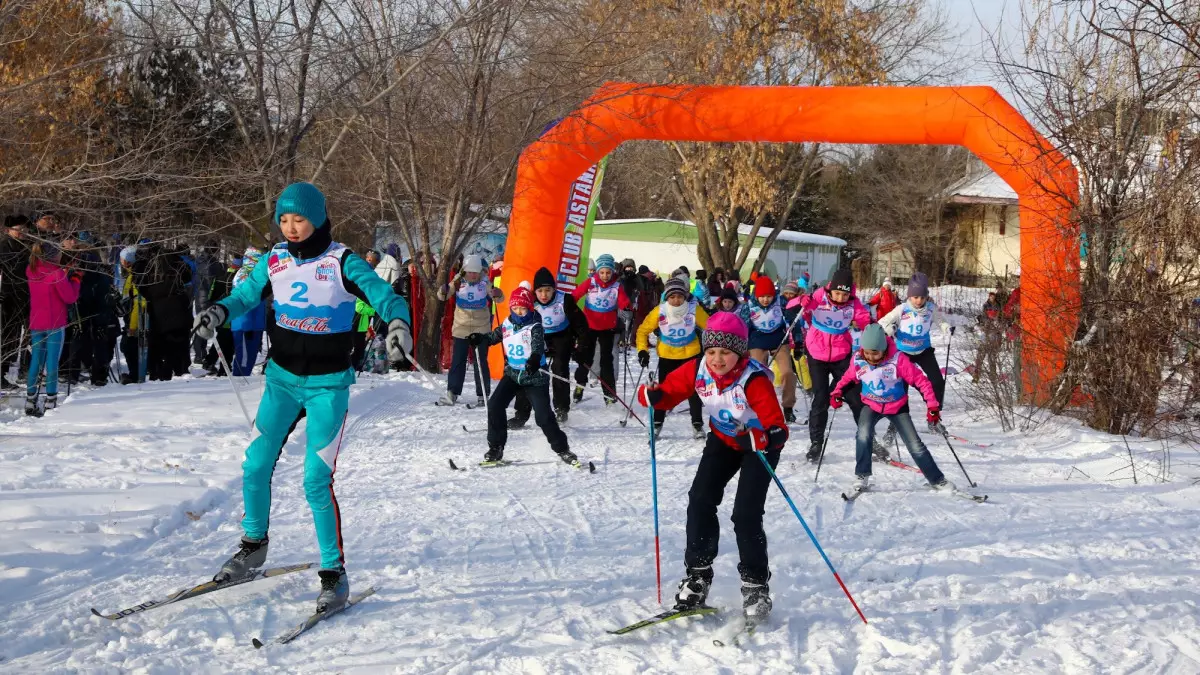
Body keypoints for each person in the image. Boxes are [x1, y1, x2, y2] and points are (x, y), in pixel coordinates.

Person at [192, 182, 413, 613]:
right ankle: (252, 546)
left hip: (328, 386)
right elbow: (243, 296)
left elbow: (386, 297)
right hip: (281, 381)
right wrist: (219, 311)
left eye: (300, 219)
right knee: (255, 464)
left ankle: (334, 575)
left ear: (317, 218)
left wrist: (399, 325)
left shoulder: (342, 261)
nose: (291, 228)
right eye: (284, 220)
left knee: (315, 479)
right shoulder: (274, 260)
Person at [636, 312, 788, 623]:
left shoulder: (754, 379)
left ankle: (756, 587)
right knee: (701, 499)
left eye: (725, 352)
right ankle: (698, 575)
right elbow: (667, 393)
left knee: (745, 514)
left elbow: (778, 430)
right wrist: (652, 396)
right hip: (722, 441)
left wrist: (758, 438)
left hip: (757, 448)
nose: (717, 359)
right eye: (711, 351)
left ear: (740, 352)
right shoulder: (698, 368)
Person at [830, 324, 950, 494]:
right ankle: (862, 475)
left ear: (884, 349)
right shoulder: (858, 359)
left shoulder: (898, 360)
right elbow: (848, 378)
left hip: (897, 406)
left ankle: (937, 480)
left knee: (915, 444)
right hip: (871, 405)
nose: (871, 357)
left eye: (875, 353)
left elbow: (921, 381)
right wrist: (836, 392)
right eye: (868, 352)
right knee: (863, 435)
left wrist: (932, 405)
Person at [469, 284, 578, 466]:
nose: (519, 312)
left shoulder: (535, 326)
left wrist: (535, 359)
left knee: (543, 417)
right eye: (515, 308)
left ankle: (563, 450)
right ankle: (496, 448)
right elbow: (493, 337)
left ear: (529, 307)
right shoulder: (507, 323)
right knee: (495, 405)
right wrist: (480, 339)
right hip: (513, 375)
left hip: (534, 377)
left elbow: (536, 347)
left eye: (522, 308)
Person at [800, 268, 872, 462]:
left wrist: (876, 332)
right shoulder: (820, 295)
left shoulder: (853, 303)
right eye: (837, 293)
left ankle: (868, 438)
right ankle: (816, 443)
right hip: (817, 354)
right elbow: (806, 308)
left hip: (841, 354)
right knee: (820, 398)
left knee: (856, 398)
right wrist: (804, 303)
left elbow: (865, 320)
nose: (841, 298)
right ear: (830, 289)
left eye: (845, 294)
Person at [509, 267, 584, 426]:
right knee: (528, 369)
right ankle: (521, 413)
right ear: (534, 291)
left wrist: (581, 348)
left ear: (554, 289)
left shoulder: (565, 300)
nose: (544, 295)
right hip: (538, 336)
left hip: (561, 336)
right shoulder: (529, 301)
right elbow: (517, 321)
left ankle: (561, 408)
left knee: (559, 368)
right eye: (540, 291)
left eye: (548, 290)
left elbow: (581, 326)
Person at [636, 275, 710, 437]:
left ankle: (697, 424)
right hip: (668, 356)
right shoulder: (660, 311)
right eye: (672, 297)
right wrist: (642, 350)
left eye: (680, 296)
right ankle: (657, 424)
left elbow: (711, 326)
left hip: (690, 354)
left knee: (694, 391)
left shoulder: (693, 309)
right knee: (663, 391)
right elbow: (642, 331)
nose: (676, 300)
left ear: (685, 296)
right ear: (667, 297)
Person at [878, 272, 945, 423]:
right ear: (909, 296)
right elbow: (882, 322)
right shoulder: (902, 309)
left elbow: (941, 321)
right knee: (902, 387)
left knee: (937, 381)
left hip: (923, 350)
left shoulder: (930, 308)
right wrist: (891, 328)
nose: (919, 301)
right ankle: (897, 422)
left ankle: (934, 414)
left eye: (922, 297)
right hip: (904, 352)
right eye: (916, 297)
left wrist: (947, 328)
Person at [436, 254, 502, 406]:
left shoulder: (485, 281)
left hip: (481, 327)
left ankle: (483, 395)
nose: (473, 275)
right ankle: (452, 392)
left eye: (475, 272)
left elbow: (498, 297)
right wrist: (443, 290)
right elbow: (443, 296)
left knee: (481, 362)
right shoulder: (459, 281)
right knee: (458, 361)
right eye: (470, 272)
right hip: (461, 326)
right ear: (465, 271)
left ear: (480, 271)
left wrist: (497, 294)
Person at [25, 242, 80, 416]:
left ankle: (30, 399)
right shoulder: (56, 273)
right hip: (54, 323)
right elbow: (70, 297)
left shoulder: (31, 270)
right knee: (52, 362)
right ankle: (50, 399)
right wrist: (76, 279)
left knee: (36, 360)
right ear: (53, 256)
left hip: (36, 322)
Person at [739, 276, 802, 424]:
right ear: (757, 295)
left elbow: (794, 321)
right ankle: (759, 405)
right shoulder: (748, 306)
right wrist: (741, 348)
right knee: (758, 376)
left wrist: (799, 343)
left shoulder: (781, 303)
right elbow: (742, 329)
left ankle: (788, 408)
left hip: (779, 341)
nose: (766, 300)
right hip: (757, 342)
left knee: (788, 373)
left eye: (769, 296)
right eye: (762, 297)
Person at [571, 253, 630, 404]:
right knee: (586, 359)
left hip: (607, 329)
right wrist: (570, 306)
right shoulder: (591, 282)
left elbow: (623, 301)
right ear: (598, 271)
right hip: (589, 327)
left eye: (608, 272)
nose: (605, 276)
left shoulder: (617, 286)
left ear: (612, 272)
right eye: (602, 272)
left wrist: (627, 306)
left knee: (606, 361)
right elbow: (575, 295)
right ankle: (580, 386)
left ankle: (609, 394)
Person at [1, 216, 31, 388]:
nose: (22, 233)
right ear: (9, 230)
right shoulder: (3, 247)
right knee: (6, 337)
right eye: (19, 229)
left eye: (25, 230)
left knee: (23, 336)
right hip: (7, 298)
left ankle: (22, 369)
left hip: (25, 296)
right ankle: (1, 373)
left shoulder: (28, 248)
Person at [230, 247, 266, 376]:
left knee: (249, 356)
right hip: (246, 325)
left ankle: (243, 378)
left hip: (253, 323)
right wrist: (248, 325)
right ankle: (241, 381)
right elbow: (244, 301)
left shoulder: (254, 273)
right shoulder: (245, 275)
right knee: (244, 358)